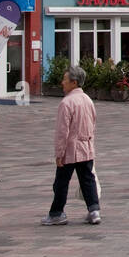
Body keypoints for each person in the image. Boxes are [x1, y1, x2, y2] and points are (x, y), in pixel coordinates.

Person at [43, 63, 101, 224]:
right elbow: (93, 123)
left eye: (65, 79)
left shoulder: (67, 103)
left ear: (74, 82)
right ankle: (94, 210)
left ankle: (56, 213)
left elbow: (62, 132)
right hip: (86, 147)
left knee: (61, 182)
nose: (62, 82)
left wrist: (59, 154)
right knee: (87, 180)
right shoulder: (88, 100)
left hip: (70, 149)